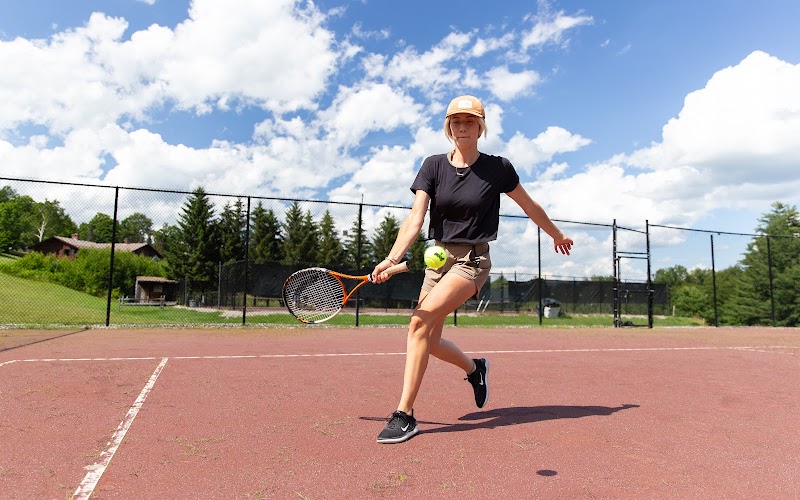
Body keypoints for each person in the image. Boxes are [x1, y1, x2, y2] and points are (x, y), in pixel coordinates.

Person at [371, 95, 574, 444]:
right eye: (456, 121)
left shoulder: (498, 168)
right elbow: (416, 216)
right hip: (437, 261)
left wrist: (556, 234)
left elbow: (529, 205)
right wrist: (391, 258)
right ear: (448, 127)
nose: (462, 126)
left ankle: (405, 415)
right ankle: (474, 368)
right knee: (429, 339)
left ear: (481, 127)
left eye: (469, 121)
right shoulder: (433, 165)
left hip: (473, 262)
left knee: (417, 322)